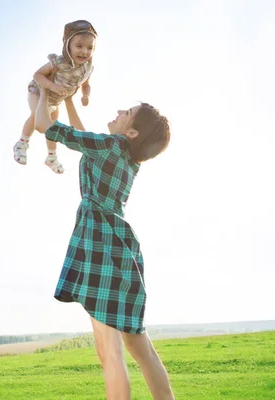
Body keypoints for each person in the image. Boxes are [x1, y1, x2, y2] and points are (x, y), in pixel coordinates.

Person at [34, 87, 175, 400]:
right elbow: (83, 138)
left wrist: (44, 92)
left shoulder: (110, 145)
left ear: (131, 132)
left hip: (99, 246)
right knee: (141, 348)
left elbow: (48, 127)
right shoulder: (126, 156)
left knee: (109, 352)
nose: (119, 112)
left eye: (126, 113)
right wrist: (68, 98)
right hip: (123, 249)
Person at [13, 19, 97, 174]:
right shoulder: (59, 62)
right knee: (36, 115)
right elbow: (37, 75)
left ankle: (51, 157)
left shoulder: (87, 68)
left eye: (89, 47)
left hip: (55, 101)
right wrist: (52, 86)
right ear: (68, 46)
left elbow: (86, 84)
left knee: (52, 127)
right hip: (38, 91)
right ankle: (21, 144)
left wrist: (86, 96)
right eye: (79, 46)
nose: (84, 51)